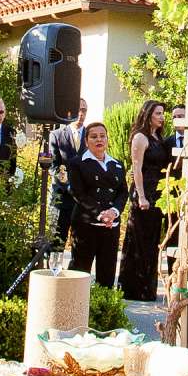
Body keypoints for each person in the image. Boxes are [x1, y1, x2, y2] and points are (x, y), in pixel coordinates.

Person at [119, 100, 174, 300]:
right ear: (148, 114)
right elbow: (136, 169)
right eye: (158, 113)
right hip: (144, 193)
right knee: (139, 240)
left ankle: (146, 289)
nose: (162, 117)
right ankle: (133, 288)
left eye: (162, 113)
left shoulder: (158, 138)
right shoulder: (140, 138)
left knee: (151, 242)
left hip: (157, 194)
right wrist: (141, 196)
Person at [70, 117, 128, 287]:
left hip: (111, 227)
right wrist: (100, 214)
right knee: (79, 273)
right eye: (94, 136)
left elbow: (122, 192)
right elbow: (78, 193)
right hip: (86, 225)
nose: (99, 140)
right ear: (86, 141)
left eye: (102, 136)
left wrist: (114, 212)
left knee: (107, 272)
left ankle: (104, 310)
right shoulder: (77, 163)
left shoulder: (116, 164)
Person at [48, 98, 88, 251]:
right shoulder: (56, 135)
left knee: (81, 245)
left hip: (84, 201)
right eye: (78, 109)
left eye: (84, 110)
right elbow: (54, 166)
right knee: (57, 243)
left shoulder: (91, 135)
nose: (81, 113)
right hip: (62, 198)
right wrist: (70, 186)